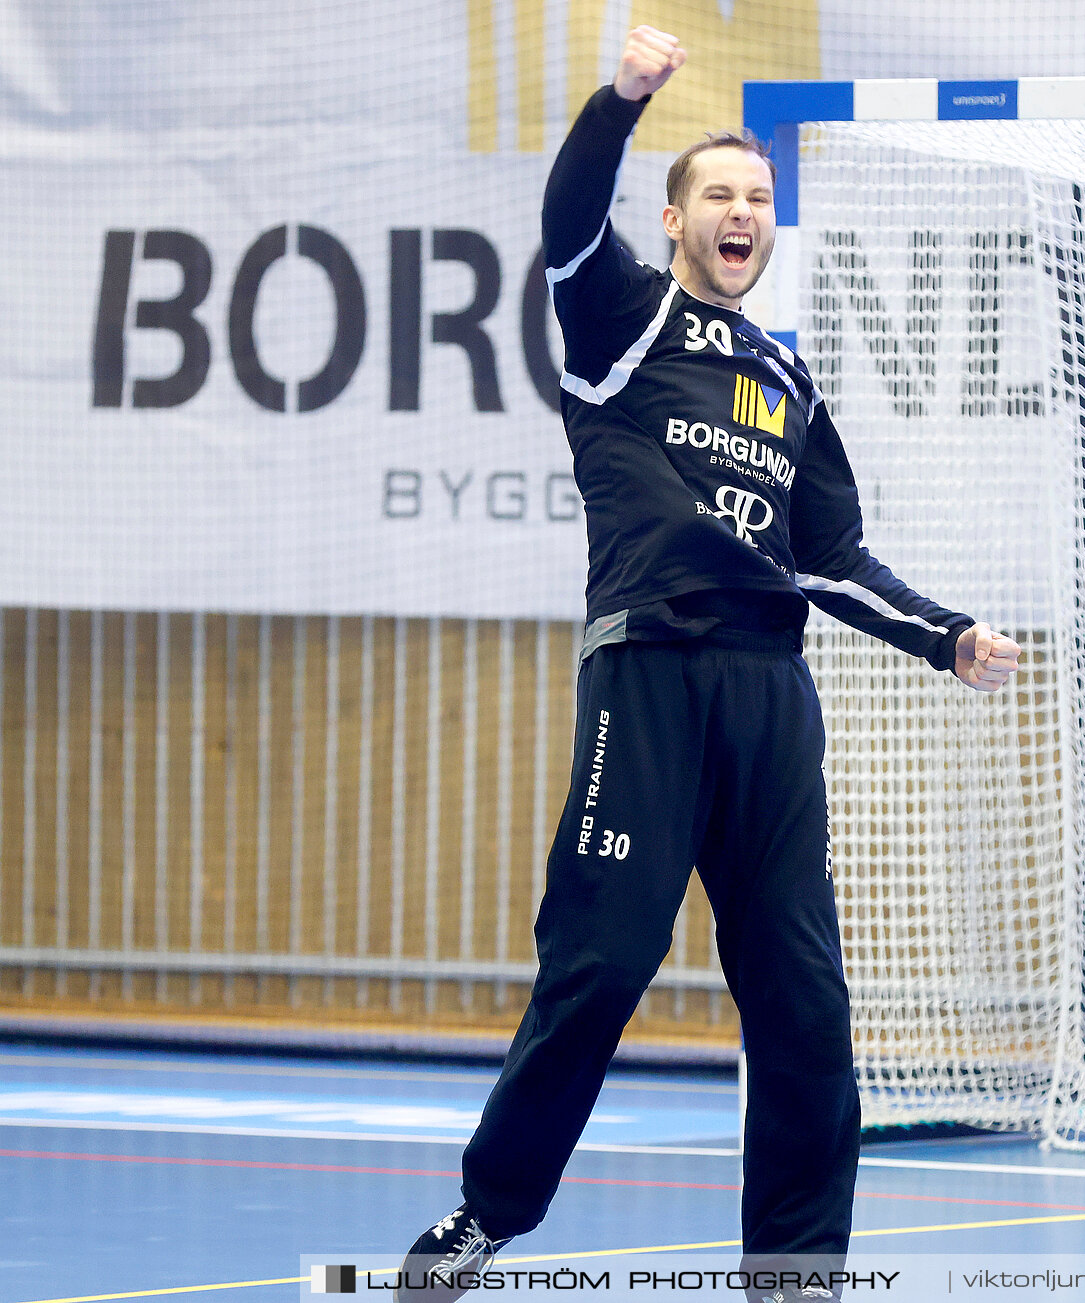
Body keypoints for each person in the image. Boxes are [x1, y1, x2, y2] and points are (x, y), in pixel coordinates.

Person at [401, 25, 1022, 1303]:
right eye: (720, 196)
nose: (744, 213)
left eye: (760, 200)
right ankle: (484, 1213)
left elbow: (835, 558)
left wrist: (944, 634)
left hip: (771, 703)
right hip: (652, 675)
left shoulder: (790, 376)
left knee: (804, 1000)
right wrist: (622, 102)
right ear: (678, 220)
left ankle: (796, 1272)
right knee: (599, 965)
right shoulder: (621, 318)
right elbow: (566, 215)